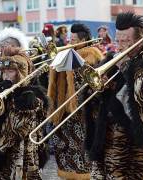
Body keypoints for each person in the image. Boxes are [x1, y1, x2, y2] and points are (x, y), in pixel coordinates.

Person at [84, 12, 143, 179]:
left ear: (140, 40)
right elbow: (99, 102)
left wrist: (127, 67)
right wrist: (100, 90)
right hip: (114, 150)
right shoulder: (113, 59)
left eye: (126, 41)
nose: (120, 46)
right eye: (118, 41)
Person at [0, 47, 49, 179]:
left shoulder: (32, 96)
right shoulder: (1, 91)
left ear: (21, 72)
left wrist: (12, 98)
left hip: (22, 155)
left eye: (10, 71)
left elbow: (18, 128)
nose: (5, 76)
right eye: (3, 71)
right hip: (0, 154)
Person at [47, 23, 103, 179]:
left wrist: (74, 66)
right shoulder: (65, 53)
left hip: (81, 112)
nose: (70, 42)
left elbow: (89, 84)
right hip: (62, 109)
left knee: (80, 148)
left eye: (73, 39)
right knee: (63, 147)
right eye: (69, 39)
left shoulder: (92, 55)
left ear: (83, 39)